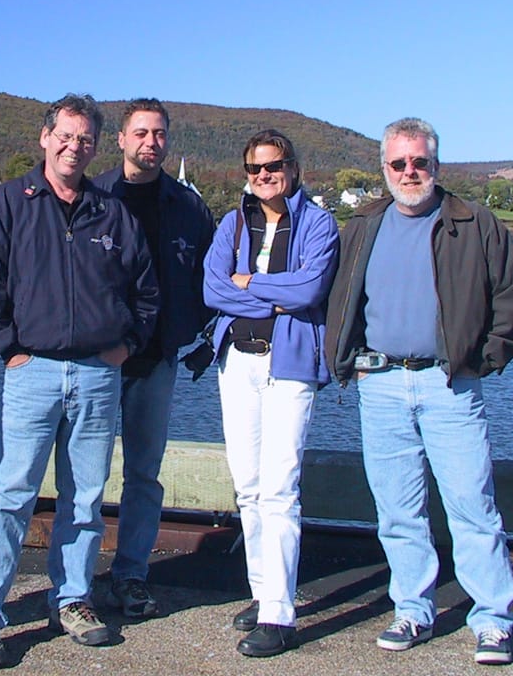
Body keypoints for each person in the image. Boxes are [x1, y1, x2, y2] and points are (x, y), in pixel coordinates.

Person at [325, 117, 513, 666]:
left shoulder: (475, 223)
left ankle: (492, 620)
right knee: (397, 510)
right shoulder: (363, 226)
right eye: (399, 163)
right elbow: (335, 298)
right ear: (384, 168)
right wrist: (349, 362)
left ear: (436, 165)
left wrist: (479, 360)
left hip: (450, 386)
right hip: (381, 385)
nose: (410, 171)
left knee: (472, 505)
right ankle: (413, 610)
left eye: (419, 161)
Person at [0, 93, 160, 668]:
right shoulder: (8, 204)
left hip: (99, 375)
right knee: (11, 493)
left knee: (87, 497)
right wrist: (8, 351)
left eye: (86, 140)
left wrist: (126, 348)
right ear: (45, 137)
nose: (75, 148)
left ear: (97, 146)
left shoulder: (111, 213)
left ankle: (72, 597)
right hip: (32, 372)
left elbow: (145, 292)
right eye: (65, 137)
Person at [203, 129, 339, 657]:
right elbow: (211, 288)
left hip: (289, 369)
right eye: (256, 169)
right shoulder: (232, 223)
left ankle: (280, 616)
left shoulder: (318, 223)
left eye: (275, 166)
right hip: (236, 364)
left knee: (280, 488)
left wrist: (247, 287)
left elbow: (309, 289)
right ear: (246, 174)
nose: (265, 176)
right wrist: (271, 298)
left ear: (294, 168)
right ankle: (264, 595)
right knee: (249, 487)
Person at [92, 99, 216, 618]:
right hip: (92, 360)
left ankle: (131, 576)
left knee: (144, 474)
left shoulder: (188, 208)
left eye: (159, 133)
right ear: (120, 139)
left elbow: (213, 282)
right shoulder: (90, 196)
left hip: (156, 360)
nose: (150, 142)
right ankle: (74, 586)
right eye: (140, 132)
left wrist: (204, 339)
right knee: (85, 474)